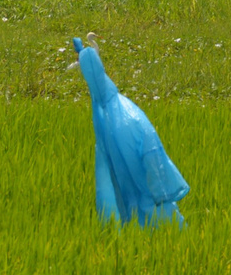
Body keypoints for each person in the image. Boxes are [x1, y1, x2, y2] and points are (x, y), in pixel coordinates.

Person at [70, 35, 189, 226]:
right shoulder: (110, 111)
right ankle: (141, 230)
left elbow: (145, 149)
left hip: (141, 172)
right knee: (136, 195)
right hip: (134, 168)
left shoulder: (121, 115)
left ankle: (156, 231)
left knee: (142, 194)